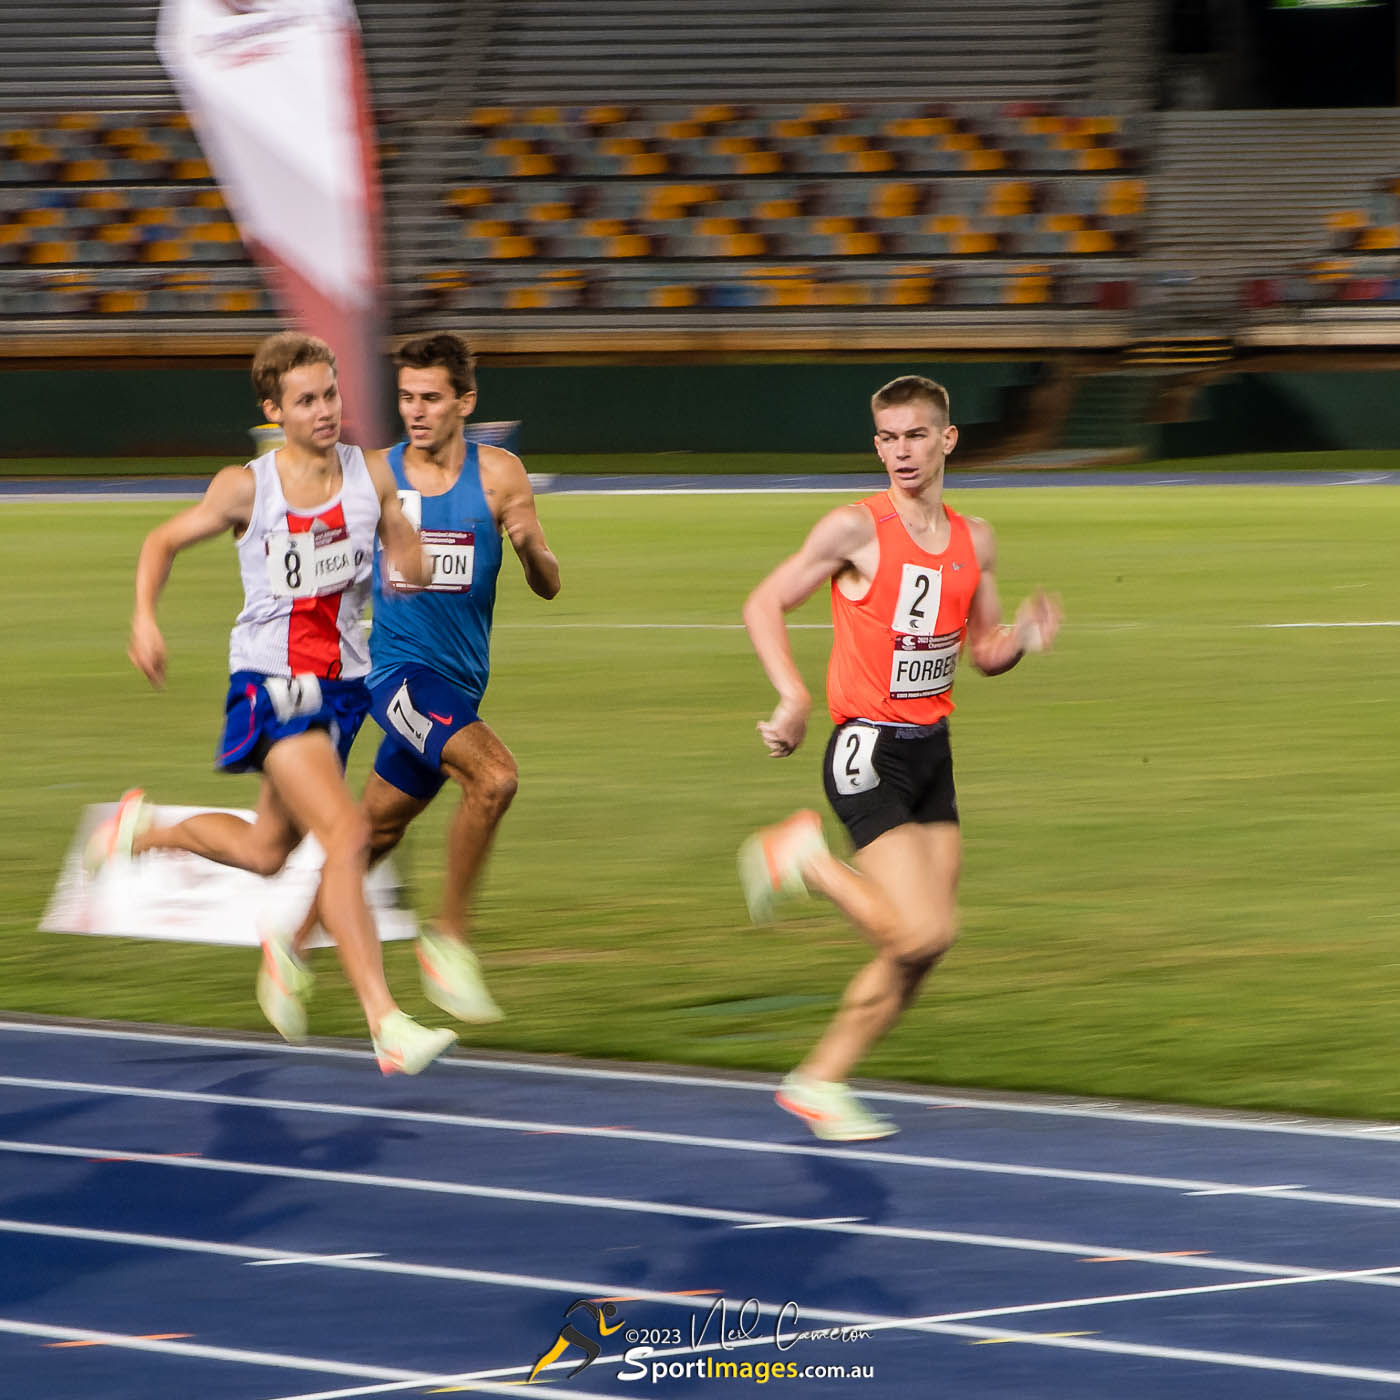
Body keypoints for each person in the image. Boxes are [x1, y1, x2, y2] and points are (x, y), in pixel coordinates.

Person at [91, 331, 457, 1076]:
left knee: (269, 851)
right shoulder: (246, 487)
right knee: (347, 834)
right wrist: (143, 618)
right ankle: (384, 1023)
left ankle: (143, 832)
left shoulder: (370, 476)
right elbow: (161, 542)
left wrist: (413, 562)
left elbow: (402, 549)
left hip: (345, 687)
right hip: (271, 682)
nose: (326, 411)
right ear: (273, 409)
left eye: (331, 394)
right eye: (307, 400)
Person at [738, 375, 1061, 1141]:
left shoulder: (974, 539)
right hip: (866, 749)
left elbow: (982, 651)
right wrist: (792, 696)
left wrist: (1019, 641)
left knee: (929, 944)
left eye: (915, 434)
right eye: (887, 437)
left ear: (948, 439)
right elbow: (763, 602)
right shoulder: (853, 528)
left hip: (932, 754)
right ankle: (806, 856)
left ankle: (818, 1080)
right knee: (913, 934)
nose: (900, 451)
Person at [262, 330, 560, 1039]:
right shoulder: (373, 475)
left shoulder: (500, 475)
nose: (417, 411)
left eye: (430, 398)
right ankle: (448, 940)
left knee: (377, 831)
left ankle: (289, 949)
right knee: (494, 780)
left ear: (466, 401)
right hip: (395, 674)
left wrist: (532, 552)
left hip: (459, 681)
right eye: (406, 398)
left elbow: (544, 574)